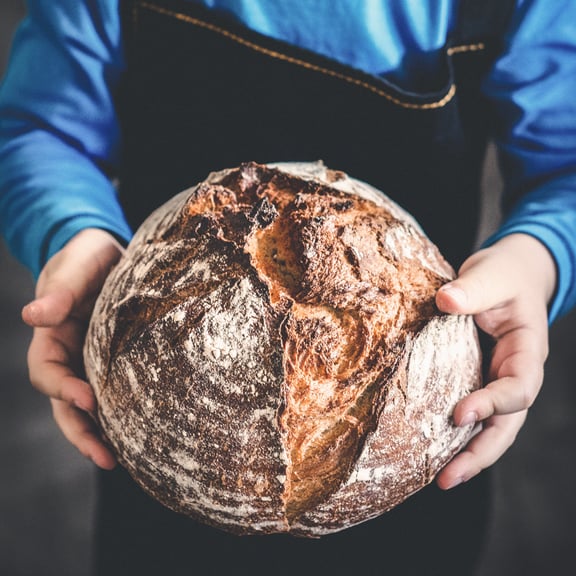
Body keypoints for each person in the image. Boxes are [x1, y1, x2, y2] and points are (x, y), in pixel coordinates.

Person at [1, 1, 575, 575]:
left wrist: (540, 256)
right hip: (169, 442)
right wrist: (73, 234)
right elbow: (39, 129)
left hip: (422, 442)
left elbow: (565, 171)